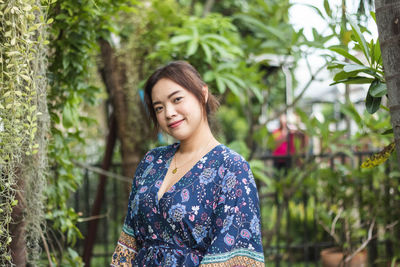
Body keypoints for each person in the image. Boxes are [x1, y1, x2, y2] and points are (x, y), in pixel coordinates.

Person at [110, 61, 265, 266]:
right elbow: (129, 242)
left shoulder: (231, 168)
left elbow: (233, 255)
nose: (169, 112)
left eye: (177, 99)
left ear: (203, 94)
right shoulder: (151, 162)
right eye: (159, 107)